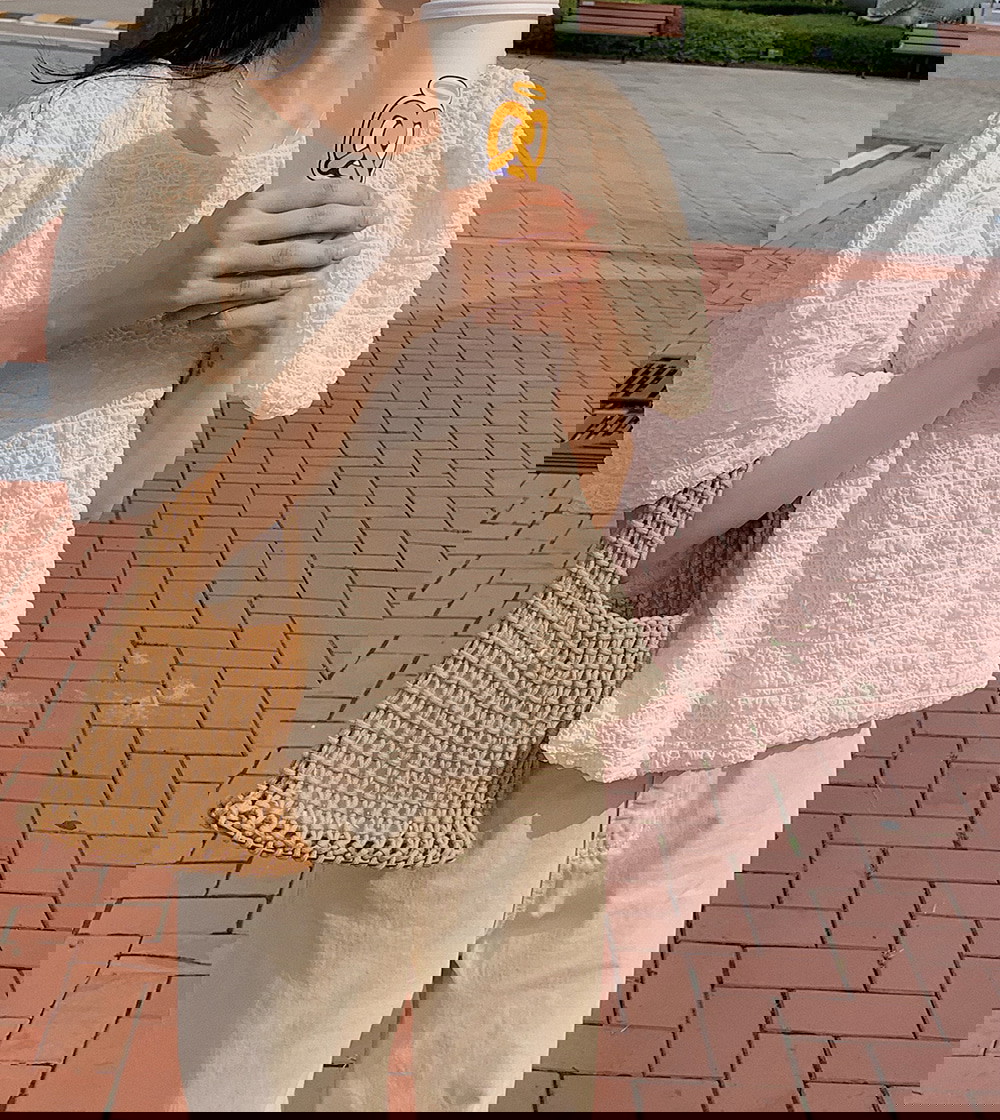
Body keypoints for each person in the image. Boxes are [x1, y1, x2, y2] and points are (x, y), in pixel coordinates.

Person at [0, 0, 554, 646]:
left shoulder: (373, 197)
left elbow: (102, 484)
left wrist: (222, 351)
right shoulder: (100, 120)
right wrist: (133, 291)